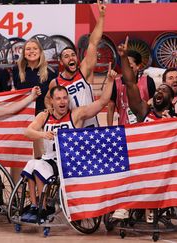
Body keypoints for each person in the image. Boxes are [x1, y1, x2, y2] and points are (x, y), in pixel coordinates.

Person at [21, 64, 116, 223]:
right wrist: (43, 133)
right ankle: (33, 204)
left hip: (67, 161)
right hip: (49, 159)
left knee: (37, 166)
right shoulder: (45, 116)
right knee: (32, 163)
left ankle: (43, 208)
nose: (62, 101)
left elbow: (102, 103)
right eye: (58, 98)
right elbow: (27, 132)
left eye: (65, 98)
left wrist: (110, 81)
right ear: (51, 101)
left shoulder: (76, 114)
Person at [111, 37, 177, 221]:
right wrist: (123, 58)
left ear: (171, 100)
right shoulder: (143, 110)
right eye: (158, 90)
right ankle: (125, 205)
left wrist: (170, 123)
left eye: (164, 91)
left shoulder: (176, 120)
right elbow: (131, 84)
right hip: (141, 163)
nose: (158, 92)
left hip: (163, 166)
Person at [46, 1, 107, 128]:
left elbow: (93, 43)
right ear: (61, 62)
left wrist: (101, 17)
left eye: (73, 55)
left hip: (91, 126)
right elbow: (47, 99)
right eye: (66, 56)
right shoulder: (55, 82)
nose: (71, 58)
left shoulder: (84, 71)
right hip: (71, 128)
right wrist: (50, 110)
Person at [106, 50, 156, 125]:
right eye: (125, 65)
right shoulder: (116, 83)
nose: (127, 67)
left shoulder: (148, 81)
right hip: (124, 128)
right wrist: (109, 128)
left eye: (129, 64)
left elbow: (154, 104)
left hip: (144, 127)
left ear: (138, 65)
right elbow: (110, 107)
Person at [12, 38, 57, 114]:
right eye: (28, 49)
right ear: (24, 53)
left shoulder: (51, 71)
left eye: (35, 48)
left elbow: (54, 96)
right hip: (22, 114)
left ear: (40, 52)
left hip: (43, 114)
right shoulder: (16, 70)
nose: (32, 51)